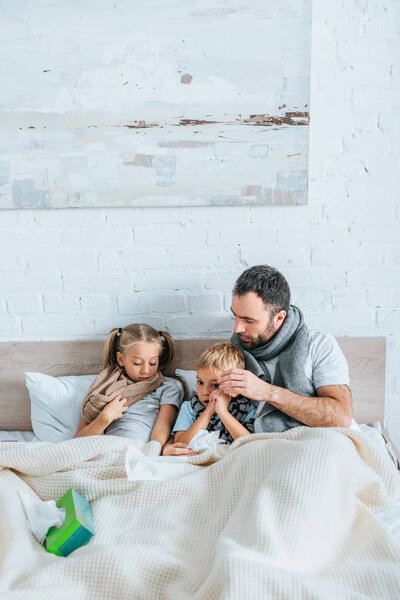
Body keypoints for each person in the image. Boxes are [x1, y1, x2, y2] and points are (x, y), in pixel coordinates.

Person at [217, 265, 353, 432]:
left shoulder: (318, 345)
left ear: (279, 318)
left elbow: (341, 417)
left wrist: (267, 392)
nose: (237, 329)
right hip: (262, 446)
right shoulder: (232, 353)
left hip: (316, 440)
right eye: (235, 316)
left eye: (248, 320)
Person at [75, 324, 187, 450]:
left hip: (141, 450)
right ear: (121, 359)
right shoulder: (107, 389)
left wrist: (153, 451)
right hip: (107, 449)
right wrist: (105, 417)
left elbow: (163, 426)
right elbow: (76, 442)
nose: (145, 370)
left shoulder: (168, 387)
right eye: (137, 363)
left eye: (153, 363)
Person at [172, 343, 255, 445]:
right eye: (200, 382)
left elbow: (250, 444)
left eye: (215, 385)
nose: (204, 391)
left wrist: (222, 412)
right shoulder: (189, 408)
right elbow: (180, 443)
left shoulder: (246, 408)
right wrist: (208, 411)